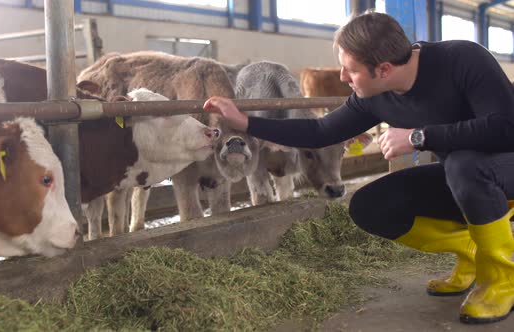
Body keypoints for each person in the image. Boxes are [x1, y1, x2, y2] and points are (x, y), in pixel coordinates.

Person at [203, 11, 514, 325]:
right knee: (371, 207)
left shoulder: (462, 59)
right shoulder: (375, 95)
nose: (341, 77)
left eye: (350, 69)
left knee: (463, 164)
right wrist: (245, 122)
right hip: (467, 182)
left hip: (504, 169)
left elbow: (506, 128)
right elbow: (321, 132)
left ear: (383, 69)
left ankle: (501, 280)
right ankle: (472, 251)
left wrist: (419, 137)